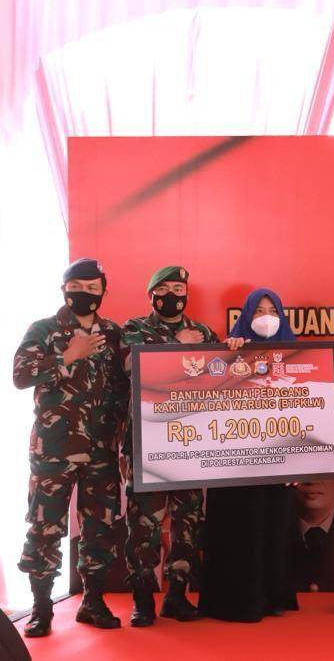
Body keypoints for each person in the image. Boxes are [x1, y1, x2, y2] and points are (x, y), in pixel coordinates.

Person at [13, 259, 126, 636]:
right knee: (45, 527)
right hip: (54, 449)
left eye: (93, 287)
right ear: (64, 289)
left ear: (103, 291)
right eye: (77, 286)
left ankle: (93, 601)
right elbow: (20, 375)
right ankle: (41, 608)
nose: (85, 293)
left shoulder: (113, 333)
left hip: (102, 449)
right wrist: (67, 355)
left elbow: (126, 383)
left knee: (99, 526)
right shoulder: (44, 329)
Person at [120, 265, 218, 627]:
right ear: (152, 295)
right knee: (144, 524)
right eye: (165, 289)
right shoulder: (134, 329)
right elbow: (130, 367)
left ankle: (177, 594)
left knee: (187, 522)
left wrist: (235, 351)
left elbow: (221, 374)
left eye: (179, 289)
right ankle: (143, 599)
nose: (173, 295)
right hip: (149, 443)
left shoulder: (204, 333)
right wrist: (178, 347)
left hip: (191, 443)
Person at [198, 289, 300, 622]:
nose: (266, 317)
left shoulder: (299, 354)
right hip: (235, 466)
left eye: (273, 310)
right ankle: (236, 602)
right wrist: (228, 355)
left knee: (273, 528)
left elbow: (308, 410)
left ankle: (273, 597)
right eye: (258, 311)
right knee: (238, 529)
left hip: (278, 463)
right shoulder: (229, 351)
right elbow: (207, 396)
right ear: (245, 316)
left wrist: (302, 460)